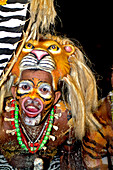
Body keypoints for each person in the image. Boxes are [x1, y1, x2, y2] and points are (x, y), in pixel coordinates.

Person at [0, 34, 112, 169]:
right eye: (25, 87)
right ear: (14, 92)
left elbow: (70, 163)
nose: (33, 97)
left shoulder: (66, 121)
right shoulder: (2, 120)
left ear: (56, 97)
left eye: (44, 90)